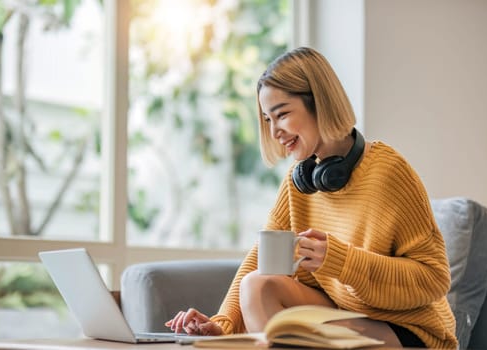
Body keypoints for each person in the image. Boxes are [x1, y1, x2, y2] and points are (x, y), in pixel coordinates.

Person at [165, 47, 458, 349]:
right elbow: (258, 260)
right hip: (345, 317)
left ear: (319, 103)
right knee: (258, 285)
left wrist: (340, 260)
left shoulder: (389, 172)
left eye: (282, 115)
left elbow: (435, 279)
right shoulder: (299, 181)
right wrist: (222, 323)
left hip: (407, 330)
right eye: (267, 119)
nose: (274, 131)